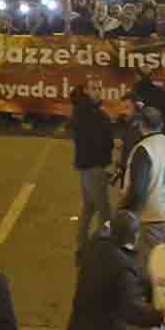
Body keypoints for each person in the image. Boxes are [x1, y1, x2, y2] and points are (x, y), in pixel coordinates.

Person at [120, 105, 165, 261]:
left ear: (141, 125)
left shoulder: (144, 148)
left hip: (150, 218)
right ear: (161, 124)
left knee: (149, 266)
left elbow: (138, 190)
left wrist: (125, 212)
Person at [70, 77, 115, 256]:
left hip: (85, 166)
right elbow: (101, 142)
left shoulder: (80, 111)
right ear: (86, 91)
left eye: (99, 88)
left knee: (89, 207)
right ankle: (103, 248)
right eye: (94, 88)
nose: (98, 91)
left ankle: (81, 245)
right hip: (95, 167)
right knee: (104, 212)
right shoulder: (95, 115)